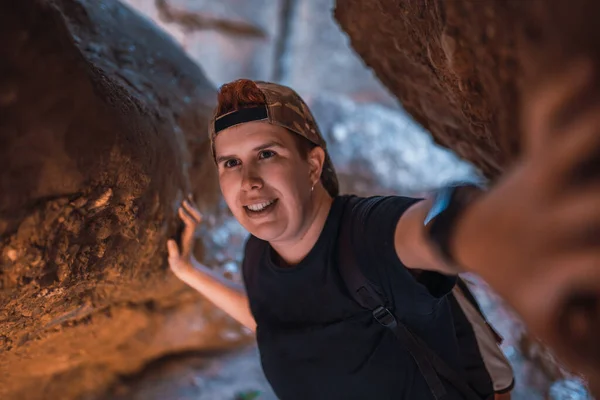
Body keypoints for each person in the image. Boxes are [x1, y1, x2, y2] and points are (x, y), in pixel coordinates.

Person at [166, 69, 598, 398]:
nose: (249, 180)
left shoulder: (368, 233)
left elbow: (433, 226)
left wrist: (498, 228)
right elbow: (272, 321)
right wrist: (189, 271)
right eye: (231, 162)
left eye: (266, 153)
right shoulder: (257, 254)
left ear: (313, 165)